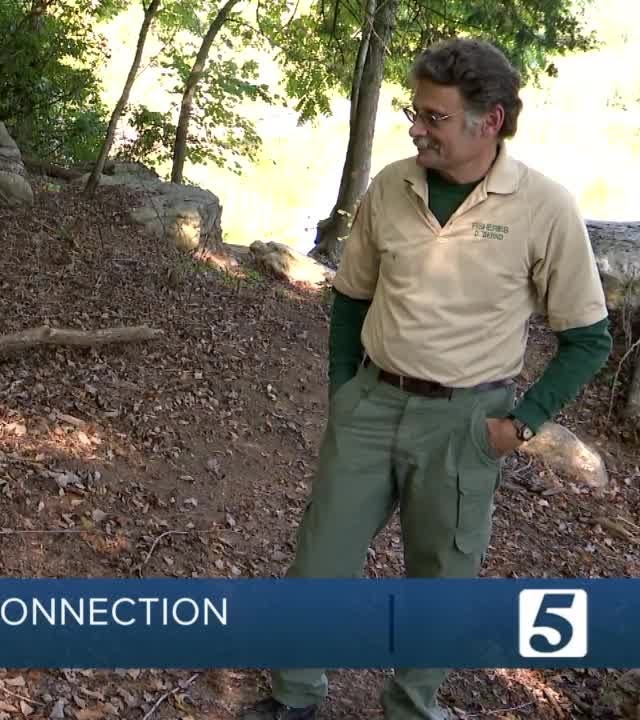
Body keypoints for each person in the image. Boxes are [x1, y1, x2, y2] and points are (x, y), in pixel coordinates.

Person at [238, 37, 613, 720]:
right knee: (319, 560)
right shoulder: (392, 185)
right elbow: (352, 295)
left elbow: (588, 338)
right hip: (372, 404)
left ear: (489, 120)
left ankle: (412, 707)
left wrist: (520, 424)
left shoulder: (544, 207)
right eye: (416, 113)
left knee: (439, 581)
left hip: (466, 423)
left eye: (434, 117)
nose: (415, 128)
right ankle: (294, 697)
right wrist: (344, 390)